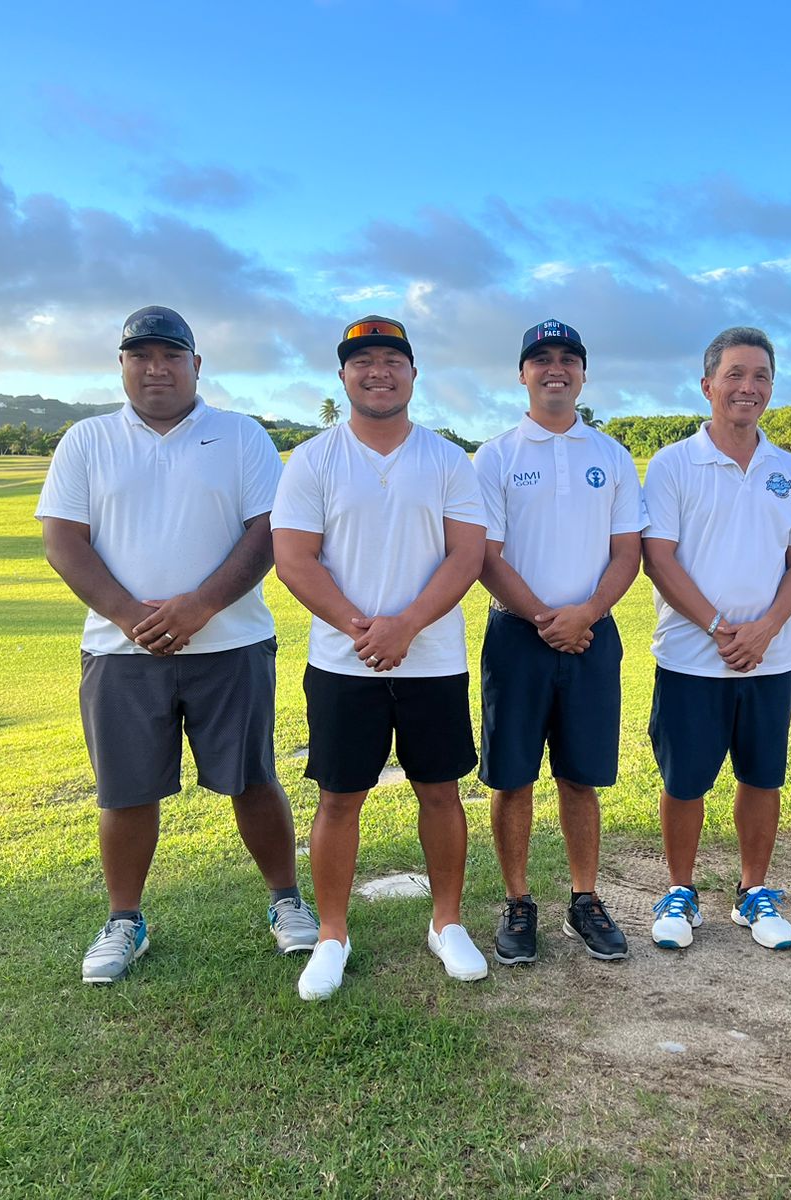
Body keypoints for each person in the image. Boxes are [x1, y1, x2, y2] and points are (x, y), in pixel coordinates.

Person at [36, 305, 317, 985]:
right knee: (126, 791)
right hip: (120, 650)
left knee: (251, 778)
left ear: (196, 365)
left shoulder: (240, 435)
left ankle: (286, 901)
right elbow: (62, 542)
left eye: (170, 355)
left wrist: (201, 605)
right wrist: (131, 614)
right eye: (141, 356)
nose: (155, 368)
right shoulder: (87, 440)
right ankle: (125, 920)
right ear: (123, 365)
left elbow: (267, 531)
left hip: (231, 643)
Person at [271, 315, 488, 1001]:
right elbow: (293, 558)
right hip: (342, 662)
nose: (378, 371)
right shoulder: (314, 458)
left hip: (432, 661)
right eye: (362, 361)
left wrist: (407, 625)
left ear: (413, 374)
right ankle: (332, 933)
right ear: (343, 377)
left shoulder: (448, 459)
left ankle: (446, 923)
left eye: (392, 359)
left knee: (441, 791)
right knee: (340, 798)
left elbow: (467, 554)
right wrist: (363, 629)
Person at [641, 327, 791, 951]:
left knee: (763, 777)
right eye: (736, 375)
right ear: (708, 384)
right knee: (685, 781)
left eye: (762, 376)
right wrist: (720, 628)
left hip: (771, 659)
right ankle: (680, 891)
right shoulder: (671, 465)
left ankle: (753, 893)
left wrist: (766, 627)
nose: (749, 388)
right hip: (692, 657)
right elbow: (658, 559)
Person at [473, 319, 645, 965]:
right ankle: (518, 903)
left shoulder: (611, 454)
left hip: (592, 638)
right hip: (518, 637)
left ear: (582, 373)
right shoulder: (495, 455)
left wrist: (587, 616)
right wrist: (549, 619)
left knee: (581, 778)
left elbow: (627, 551)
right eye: (541, 358)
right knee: (512, 779)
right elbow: (484, 555)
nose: (555, 368)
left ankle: (584, 900)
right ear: (522, 373)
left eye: (568, 359)